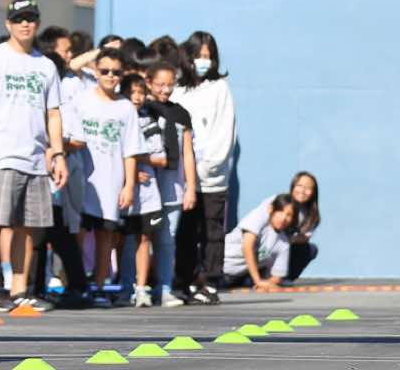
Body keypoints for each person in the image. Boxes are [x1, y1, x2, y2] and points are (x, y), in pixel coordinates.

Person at [0, 0, 65, 312]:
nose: (25, 24)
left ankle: (21, 289)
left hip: (36, 158)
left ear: (37, 23)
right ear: (8, 23)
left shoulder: (45, 65)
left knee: (28, 226)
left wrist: (58, 153)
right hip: (1, 155)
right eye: (19, 18)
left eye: (30, 18)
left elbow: (53, 113)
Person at [65, 47, 140, 303]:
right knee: (77, 232)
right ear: (95, 72)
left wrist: (129, 185)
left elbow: (131, 151)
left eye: (116, 72)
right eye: (105, 71)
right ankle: (75, 283)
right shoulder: (80, 100)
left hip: (111, 182)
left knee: (105, 235)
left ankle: (98, 285)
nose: (110, 76)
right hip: (81, 179)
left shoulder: (126, 108)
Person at [176, 30, 237, 305]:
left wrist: (208, 165)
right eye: (199, 55)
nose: (204, 61)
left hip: (212, 177)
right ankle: (184, 281)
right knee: (186, 232)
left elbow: (225, 132)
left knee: (212, 232)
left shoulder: (219, 88)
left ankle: (211, 282)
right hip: (183, 178)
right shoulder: (179, 89)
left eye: (208, 56)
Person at [128, 58, 194, 306]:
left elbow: (187, 153)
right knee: (138, 239)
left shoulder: (181, 114)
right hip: (146, 186)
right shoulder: (141, 110)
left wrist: (191, 187)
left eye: (170, 85)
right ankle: (132, 286)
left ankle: (164, 288)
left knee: (167, 240)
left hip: (173, 187)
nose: (165, 90)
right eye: (160, 85)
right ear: (148, 83)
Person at [222, 194, 300, 291]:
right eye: (280, 211)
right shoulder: (257, 221)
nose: (283, 218)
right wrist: (258, 280)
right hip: (217, 268)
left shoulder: (284, 243)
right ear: (271, 209)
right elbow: (247, 247)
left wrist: (265, 284)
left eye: (289, 215)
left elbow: (277, 277)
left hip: (236, 277)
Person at [280, 171, 321, 281]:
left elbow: (305, 238)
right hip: (268, 250)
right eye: (299, 186)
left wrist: (290, 239)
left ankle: (285, 278)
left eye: (308, 188)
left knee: (310, 249)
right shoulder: (281, 204)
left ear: (313, 192)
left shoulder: (311, 214)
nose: (302, 191)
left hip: (287, 245)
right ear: (293, 186)